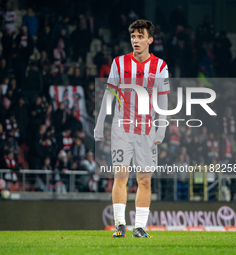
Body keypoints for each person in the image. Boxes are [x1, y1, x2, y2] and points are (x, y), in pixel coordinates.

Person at [94, 20, 169, 238]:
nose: (135, 40)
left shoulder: (160, 67)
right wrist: (100, 123)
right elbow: (108, 96)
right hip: (121, 129)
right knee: (121, 176)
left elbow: (163, 101)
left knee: (145, 179)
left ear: (150, 40)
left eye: (140, 36)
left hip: (146, 131)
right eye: (133, 36)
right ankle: (119, 224)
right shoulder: (118, 63)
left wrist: (161, 129)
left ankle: (140, 227)